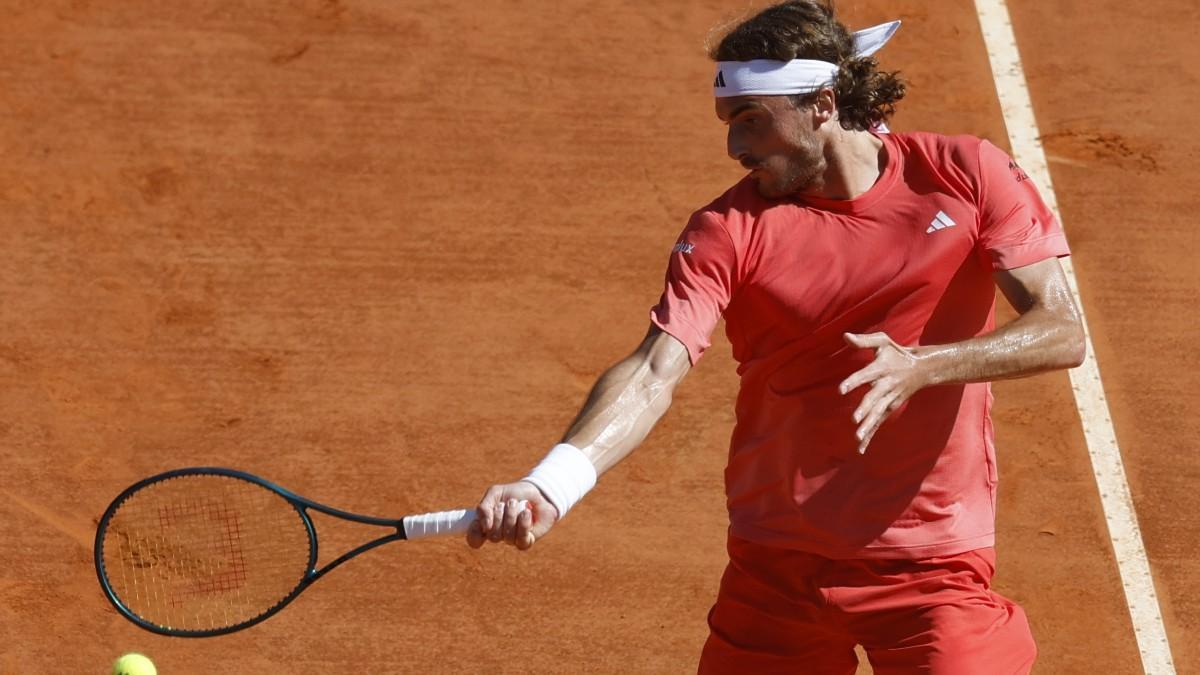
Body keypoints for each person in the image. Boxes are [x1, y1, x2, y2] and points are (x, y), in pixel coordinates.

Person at [466, 1, 1086, 672]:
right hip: (776, 566)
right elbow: (653, 371)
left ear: (823, 103)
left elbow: (1061, 329)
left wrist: (925, 365)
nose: (735, 149)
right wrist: (549, 484)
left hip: (929, 564)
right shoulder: (727, 230)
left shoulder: (964, 175)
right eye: (731, 124)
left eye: (752, 120)